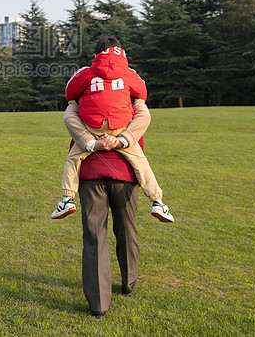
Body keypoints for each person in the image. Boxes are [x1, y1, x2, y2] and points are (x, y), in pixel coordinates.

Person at [51, 36, 173, 223]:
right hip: (121, 126)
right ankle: (157, 201)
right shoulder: (129, 72)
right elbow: (142, 93)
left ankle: (67, 199)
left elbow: (70, 93)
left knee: (73, 157)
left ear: (95, 55)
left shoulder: (86, 72)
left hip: (92, 127)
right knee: (140, 160)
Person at [77, 132, 144, 318]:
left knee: (94, 235)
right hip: (125, 170)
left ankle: (98, 303)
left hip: (91, 171)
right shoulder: (134, 105)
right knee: (126, 228)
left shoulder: (80, 104)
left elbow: (76, 133)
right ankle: (129, 281)